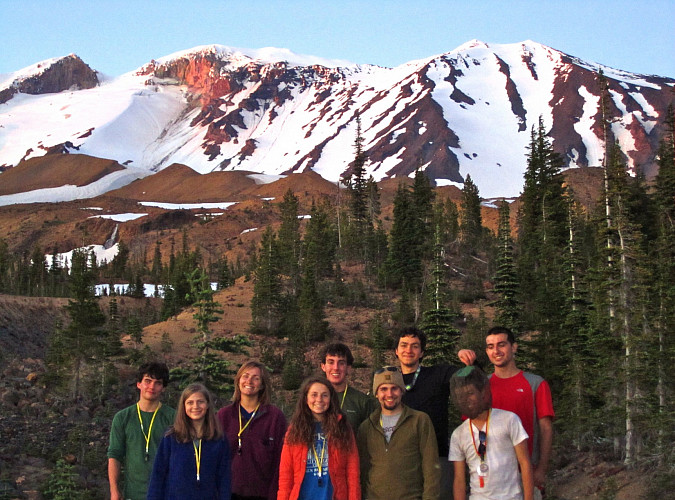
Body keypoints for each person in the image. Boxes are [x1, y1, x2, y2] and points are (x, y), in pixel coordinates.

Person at [394, 327, 475, 497]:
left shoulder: (438, 375)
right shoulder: (388, 383)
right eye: (404, 345)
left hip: (438, 459)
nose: (409, 350)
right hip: (403, 462)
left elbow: (470, 376)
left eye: (415, 346)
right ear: (396, 351)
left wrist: (469, 362)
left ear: (422, 352)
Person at [484, 326, 554, 498]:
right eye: (490, 346)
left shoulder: (535, 384)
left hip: (526, 473)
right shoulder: (482, 386)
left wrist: (542, 468)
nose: (496, 351)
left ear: (513, 347)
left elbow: (546, 428)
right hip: (491, 475)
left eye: (501, 344)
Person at [449, 365, 534, 500]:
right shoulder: (458, 434)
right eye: (461, 396)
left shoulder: (509, 419)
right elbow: (459, 479)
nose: (466, 399)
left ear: (482, 393)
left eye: (470, 393)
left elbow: (524, 462)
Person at [357, 366, 440, 500]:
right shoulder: (366, 427)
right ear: (376, 393)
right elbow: (362, 470)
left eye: (394, 388)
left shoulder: (419, 420)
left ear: (402, 391)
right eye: (383, 389)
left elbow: (431, 467)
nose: (389, 394)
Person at [278, 376, 360, 500]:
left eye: (324, 395)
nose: (319, 400)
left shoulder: (343, 427)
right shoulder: (294, 430)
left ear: (331, 399)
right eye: (314, 395)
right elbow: (286, 475)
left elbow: (352, 472)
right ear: (306, 399)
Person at [147, 383, 231, 499]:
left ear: (207, 405)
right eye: (190, 402)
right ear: (184, 407)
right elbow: (158, 475)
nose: (195, 406)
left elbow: (224, 479)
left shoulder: (219, 439)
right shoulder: (171, 438)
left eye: (200, 401)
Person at [218, 360, 288, 500]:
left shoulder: (275, 417)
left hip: (262, 493)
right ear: (238, 380)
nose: (249, 381)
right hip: (227, 493)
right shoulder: (223, 416)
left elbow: (280, 463)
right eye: (245, 376)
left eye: (256, 378)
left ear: (262, 385)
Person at [107, 362, 176, 500]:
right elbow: (115, 455)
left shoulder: (173, 417)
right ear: (139, 384)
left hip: (165, 493)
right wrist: (114, 491)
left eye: (158, 383)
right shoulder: (123, 417)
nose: (152, 387)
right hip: (133, 494)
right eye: (148, 381)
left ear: (163, 388)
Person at [319, 342, 377, 431]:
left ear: (348, 368)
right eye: (331, 362)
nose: (336, 368)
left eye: (341, 363)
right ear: (323, 366)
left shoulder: (362, 402)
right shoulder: (314, 399)